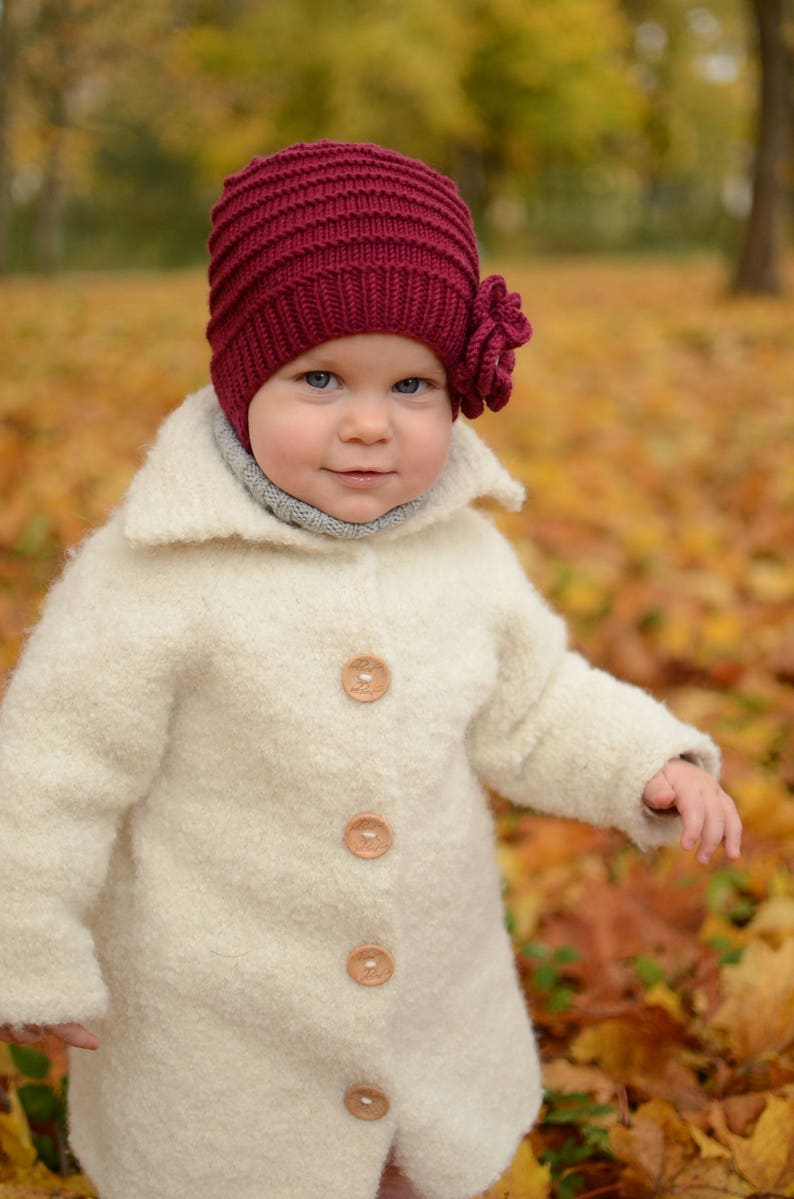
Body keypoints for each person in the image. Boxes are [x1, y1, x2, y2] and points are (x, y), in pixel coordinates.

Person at [0, 141, 741, 1199]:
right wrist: (25, 942)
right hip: (219, 1019)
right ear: (239, 376)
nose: (366, 423)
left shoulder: (461, 554)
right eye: (318, 379)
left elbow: (532, 702)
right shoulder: (152, 573)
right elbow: (50, 768)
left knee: (408, 1157)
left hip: (425, 1003)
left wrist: (644, 761)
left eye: (410, 384)